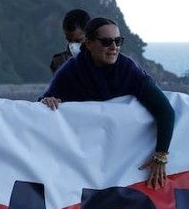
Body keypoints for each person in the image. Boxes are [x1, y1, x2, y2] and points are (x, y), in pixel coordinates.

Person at [41, 16, 174, 189]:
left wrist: (160, 157)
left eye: (118, 41)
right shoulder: (72, 71)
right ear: (88, 44)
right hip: (83, 160)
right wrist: (47, 101)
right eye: (106, 42)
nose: (114, 47)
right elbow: (43, 104)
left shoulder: (127, 69)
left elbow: (165, 111)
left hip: (121, 160)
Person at [49, 8, 89, 74]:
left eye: (78, 41)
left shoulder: (103, 60)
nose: (73, 46)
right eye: (69, 41)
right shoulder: (59, 61)